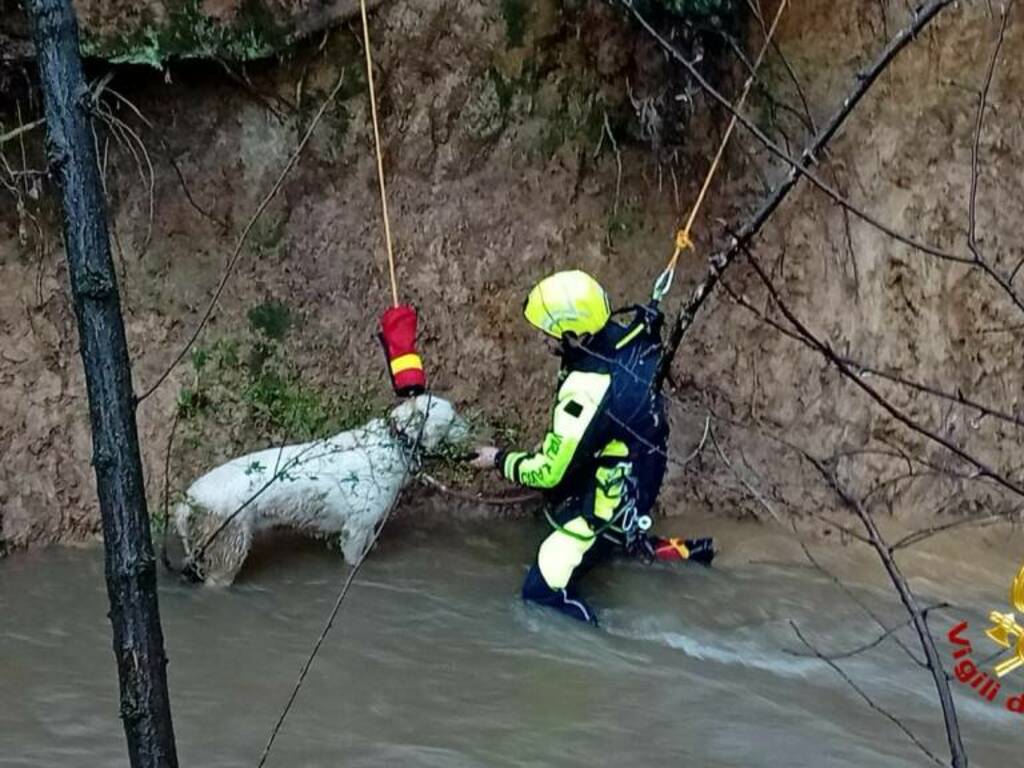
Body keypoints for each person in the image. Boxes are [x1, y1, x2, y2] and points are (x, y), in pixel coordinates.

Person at [471, 270, 715, 625]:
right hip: (639, 475)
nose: (543, 340)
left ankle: (608, 640)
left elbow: (548, 472)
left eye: (549, 333)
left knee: (540, 593)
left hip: (610, 500)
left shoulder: (587, 386)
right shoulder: (628, 337)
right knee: (603, 532)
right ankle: (673, 551)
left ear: (575, 334)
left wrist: (499, 459)